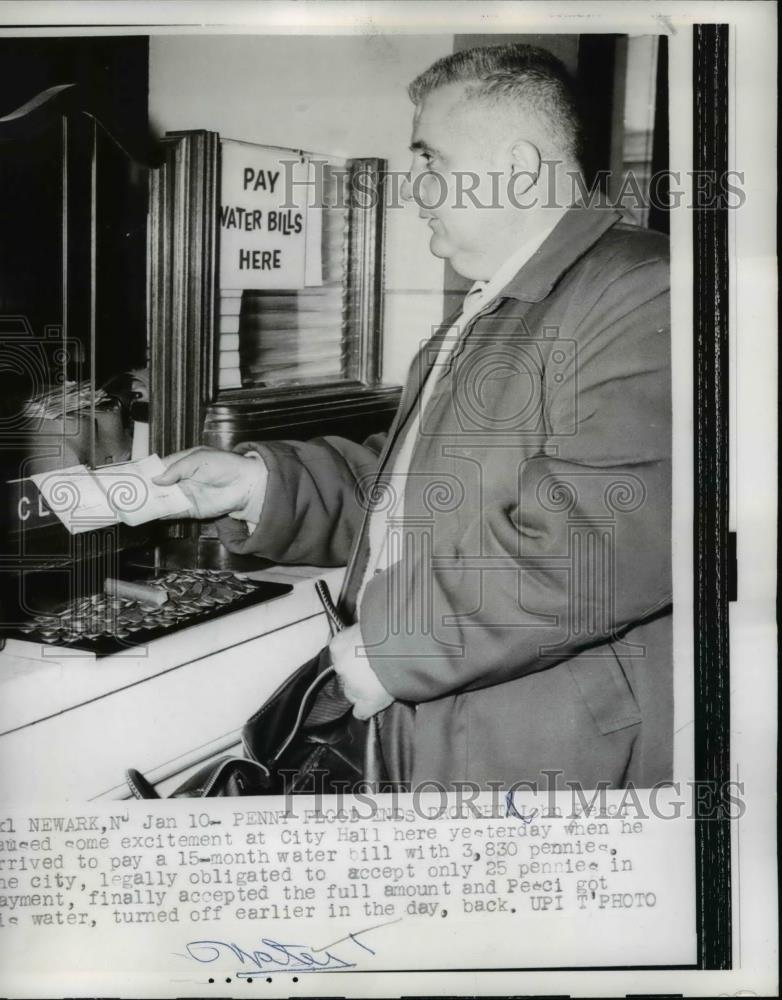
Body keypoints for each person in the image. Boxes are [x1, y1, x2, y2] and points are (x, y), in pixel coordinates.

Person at [156, 43, 672, 792]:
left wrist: (392, 649)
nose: (415, 190)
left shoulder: (642, 289)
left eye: (432, 162)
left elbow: (596, 545)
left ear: (521, 170)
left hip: (531, 750)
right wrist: (257, 484)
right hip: (438, 718)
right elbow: (419, 488)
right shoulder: (500, 301)